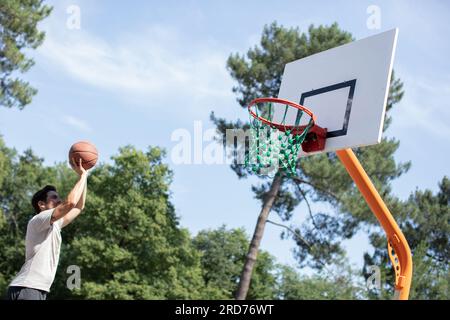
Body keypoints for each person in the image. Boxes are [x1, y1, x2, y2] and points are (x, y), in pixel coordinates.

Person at [6, 159, 88, 300]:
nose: (58, 200)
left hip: (36, 289)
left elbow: (79, 206)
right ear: (42, 204)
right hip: (28, 287)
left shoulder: (55, 224)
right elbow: (71, 203)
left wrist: (85, 175)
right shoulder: (39, 219)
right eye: (54, 198)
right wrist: (81, 176)